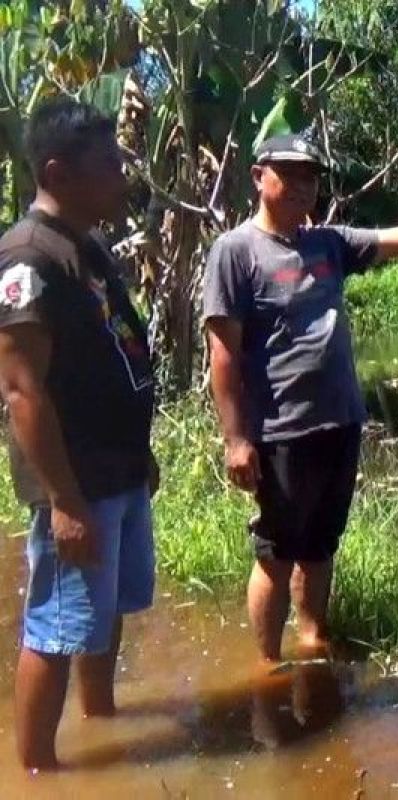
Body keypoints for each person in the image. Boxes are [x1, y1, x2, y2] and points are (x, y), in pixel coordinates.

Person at [202, 134, 398, 666]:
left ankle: (312, 644)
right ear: (260, 176)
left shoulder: (329, 244)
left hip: (340, 422)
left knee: (321, 546)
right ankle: (265, 666)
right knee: (277, 554)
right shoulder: (235, 252)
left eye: (312, 175)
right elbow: (224, 354)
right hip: (282, 432)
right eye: (291, 172)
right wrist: (236, 439)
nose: (304, 184)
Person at [0, 98, 157, 770]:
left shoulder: (87, 247)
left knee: (105, 610)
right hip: (77, 482)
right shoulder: (28, 255)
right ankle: (36, 771)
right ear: (59, 172)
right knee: (56, 628)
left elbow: (116, 352)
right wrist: (63, 500)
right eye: (109, 166)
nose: (121, 177)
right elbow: (21, 389)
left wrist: (139, 450)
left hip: (117, 469)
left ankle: (101, 721)